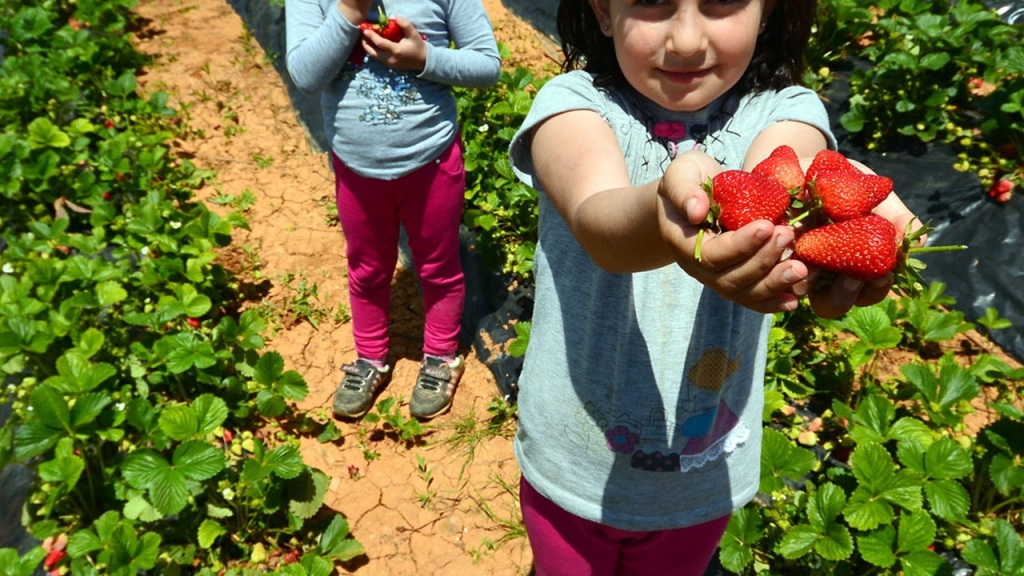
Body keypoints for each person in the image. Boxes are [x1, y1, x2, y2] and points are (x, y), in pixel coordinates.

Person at [507, 0, 921, 574]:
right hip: (575, 465)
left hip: (702, 480)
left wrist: (838, 219)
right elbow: (597, 220)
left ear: (769, 9)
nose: (685, 39)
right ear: (603, 11)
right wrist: (666, 207)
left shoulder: (785, 110)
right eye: (652, 2)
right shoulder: (572, 106)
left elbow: (790, 163)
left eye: (722, 1)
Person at [285, 0, 500, 420]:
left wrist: (423, 58)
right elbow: (306, 77)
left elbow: (487, 64)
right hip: (356, 168)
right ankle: (369, 358)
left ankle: (439, 356)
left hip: (431, 162)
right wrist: (348, 11)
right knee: (366, 267)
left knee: (438, 266)